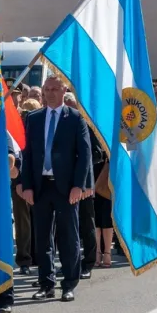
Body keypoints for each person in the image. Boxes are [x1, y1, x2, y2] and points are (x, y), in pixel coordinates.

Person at [18, 75, 92, 302]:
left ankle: (69, 283)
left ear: (63, 90)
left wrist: (79, 185)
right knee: (42, 238)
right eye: (46, 89)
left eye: (54, 89)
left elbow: (84, 154)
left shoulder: (75, 118)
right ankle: (46, 283)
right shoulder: (34, 118)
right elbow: (27, 154)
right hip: (41, 187)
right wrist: (26, 185)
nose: (50, 93)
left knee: (69, 236)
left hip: (66, 187)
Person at [63, 91, 96, 279]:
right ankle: (69, 263)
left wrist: (86, 182)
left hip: (83, 184)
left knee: (86, 223)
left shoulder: (86, 125)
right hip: (64, 184)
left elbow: (93, 154)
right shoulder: (59, 124)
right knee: (67, 227)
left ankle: (88, 262)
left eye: (70, 104)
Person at [13, 98, 42, 274]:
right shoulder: (17, 131)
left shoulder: (42, 129)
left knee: (40, 220)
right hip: (22, 181)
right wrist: (18, 183)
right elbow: (19, 157)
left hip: (40, 181)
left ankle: (38, 256)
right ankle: (24, 259)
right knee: (23, 221)